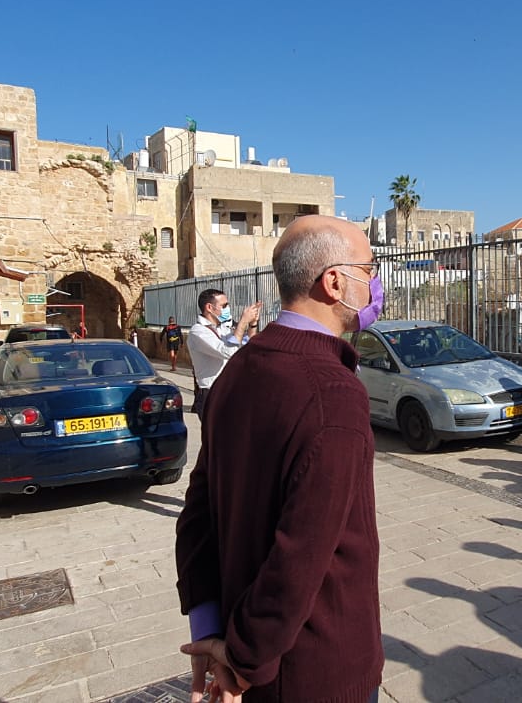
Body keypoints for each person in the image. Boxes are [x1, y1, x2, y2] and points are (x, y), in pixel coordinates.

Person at [175, 215, 385, 703]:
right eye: (369, 269)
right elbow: (302, 554)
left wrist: (210, 629)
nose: (375, 284)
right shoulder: (333, 394)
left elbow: (197, 514)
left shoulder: (238, 371)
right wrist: (244, 660)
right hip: (313, 670)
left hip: (243, 643)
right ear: (335, 282)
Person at [186, 288, 261, 423]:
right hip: (212, 393)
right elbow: (228, 352)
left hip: (229, 391)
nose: (227, 309)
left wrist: (252, 324)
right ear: (209, 307)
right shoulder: (198, 332)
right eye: (224, 305)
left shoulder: (223, 329)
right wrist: (242, 322)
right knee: (218, 442)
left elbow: (248, 345)